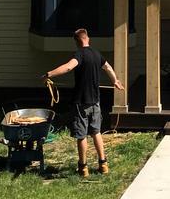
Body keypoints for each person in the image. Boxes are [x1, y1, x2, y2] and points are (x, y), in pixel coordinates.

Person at [41, 28, 123, 177]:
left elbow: (68, 67)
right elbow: (108, 67)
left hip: (81, 102)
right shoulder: (97, 54)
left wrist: (49, 74)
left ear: (77, 42)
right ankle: (103, 164)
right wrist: (115, 80)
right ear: (87, 38)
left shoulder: (79, 54)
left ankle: (83, 168)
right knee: (96, 132)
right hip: (95, 102)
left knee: (81, 135)